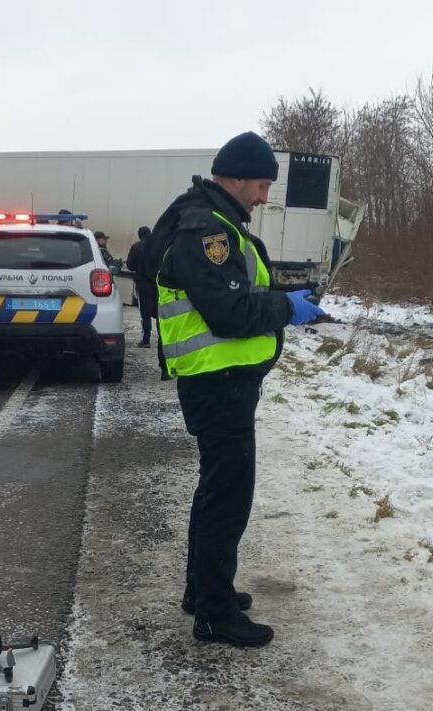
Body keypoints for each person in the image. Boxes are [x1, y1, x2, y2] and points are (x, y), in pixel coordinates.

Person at [148, 131, 323, 648]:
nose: (265, 197)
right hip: (216, 381)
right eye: (263, 185)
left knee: (217, 489)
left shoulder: (215, 221)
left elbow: (239, 291)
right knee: (227, 495)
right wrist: (286, 308)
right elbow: (228, 312)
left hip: (222, 381)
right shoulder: (207, 229)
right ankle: (214, 613)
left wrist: (283, 296)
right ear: (237, 177)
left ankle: (202, 591)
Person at [126, 226, 157, 348]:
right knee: (159, 311)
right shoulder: (158, 246)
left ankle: (146, 339)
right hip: (157, 283)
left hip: (143, 284)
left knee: (145, 313)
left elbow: (130, 266)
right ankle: (163, 337)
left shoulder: (136, 247)